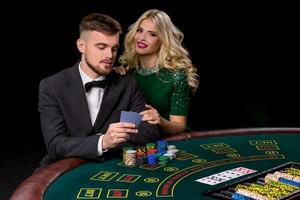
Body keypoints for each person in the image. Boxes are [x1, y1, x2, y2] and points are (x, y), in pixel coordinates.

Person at [38, 13, 160, 167]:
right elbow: (56, 145)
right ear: (81, 46)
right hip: (64, 168)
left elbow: (149, 130)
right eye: (101, 47)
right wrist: (103, 141)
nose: (110, 55)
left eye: (114, 49)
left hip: (114, 166)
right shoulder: (52, 86)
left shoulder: (128, 83)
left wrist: (116, 138)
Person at [116, 9, 199, 135]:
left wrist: (161, 121)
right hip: (136, 142)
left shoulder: (176, 75)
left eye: (152, 34)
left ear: (163, 40)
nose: (142, 38)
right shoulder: (128, 72)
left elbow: (180, 126)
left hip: (168, 143)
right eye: (139, 30)